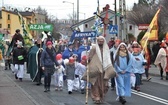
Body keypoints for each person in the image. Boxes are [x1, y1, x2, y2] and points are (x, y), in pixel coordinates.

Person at [86, 36, 115, 104]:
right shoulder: (94, 48)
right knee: (96, 84)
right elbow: (89, 57)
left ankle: (101, 96)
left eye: (102, 41)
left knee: (105, 85)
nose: (101, 42)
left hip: (104, 69)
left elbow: (109, 59)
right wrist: (88, 60)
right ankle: (97, 97)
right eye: (99, 41)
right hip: (96, 69)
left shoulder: (106, 49)